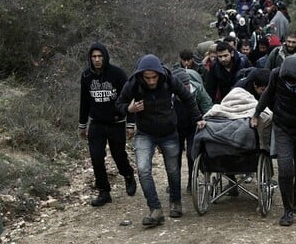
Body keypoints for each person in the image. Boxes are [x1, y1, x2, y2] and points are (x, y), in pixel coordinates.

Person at [116, 54, 206, 227]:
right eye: (147, 77)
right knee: (143, 169)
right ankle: (155, 209)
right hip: (145, 132)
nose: (150, 81)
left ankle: (175, 201)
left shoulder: (169, 79)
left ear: (159, 74)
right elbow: (118, 104)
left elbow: (187, 98)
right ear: (141, 75)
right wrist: (129, 108)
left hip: (168, 131)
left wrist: (198, 118)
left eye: (154, 77)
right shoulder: (133, 83)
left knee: (173, 169)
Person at [251, 55, 296, 227]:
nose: (291, 83)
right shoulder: (276, 74)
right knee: (285, 169)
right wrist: (256, 114)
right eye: (288, 80)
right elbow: (267, 94)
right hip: (283, 126)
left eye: (294, 81)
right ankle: (287, 210)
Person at [78, 42, 136, 207]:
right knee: (96, 158)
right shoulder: (86, 76)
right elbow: (84, 101)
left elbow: (129, 98)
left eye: (100, 56)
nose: (97, 60)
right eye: (94, 56)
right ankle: (104, 191)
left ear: (105, 57)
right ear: (90, 58)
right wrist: (82, 125)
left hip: (116, 122)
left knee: (119, 156)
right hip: (96, 123)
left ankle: (128, 174)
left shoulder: (117, 74)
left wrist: (131, 123)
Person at [172, 68, 213, 192]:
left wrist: (206, 120)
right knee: (174, 155)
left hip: (193, 126)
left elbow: (207, 106)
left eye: (187, 84)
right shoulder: (169, 92)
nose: (185, 88)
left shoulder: (198, 89)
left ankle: (192, 180)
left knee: (191, 153)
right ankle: (175, 182)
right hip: (175, 127)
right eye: (182, 85)